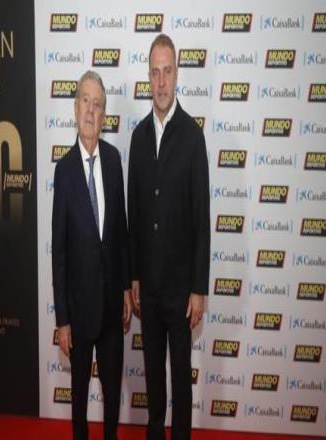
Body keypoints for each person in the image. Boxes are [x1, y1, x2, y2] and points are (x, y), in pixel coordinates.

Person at [128, 34, 210, 440]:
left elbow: (201, 218)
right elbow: (133, 214)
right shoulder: (138, 137)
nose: (161, 82)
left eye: (167, 72)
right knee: (153, 383)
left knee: (180, 378)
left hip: (180, 293)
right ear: (148, 77)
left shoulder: (193, 137)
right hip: (148, 290)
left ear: (177, 74)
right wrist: (133, 276)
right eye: (155, 73)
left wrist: (199, 288)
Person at [52, 70, 132, 440]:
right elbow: (59, 251)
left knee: (113, 396)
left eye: (98, 104)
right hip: (79, 312)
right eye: (85, 100)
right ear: (75, 108)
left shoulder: (114, 161)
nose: (91, 110)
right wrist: (63, 320)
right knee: (79, 400)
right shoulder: (64, 170)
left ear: (103, 115)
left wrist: (127, 288)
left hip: (113, 309)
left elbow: (122, 232)